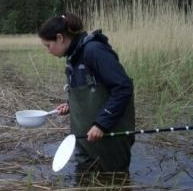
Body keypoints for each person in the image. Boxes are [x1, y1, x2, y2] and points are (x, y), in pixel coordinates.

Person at [38, 12, 135, 172]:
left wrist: (101, 125)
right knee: (86, 184)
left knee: (115, 184)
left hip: (108, 138)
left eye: (48, 45)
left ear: (60, 38)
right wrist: (71, 105)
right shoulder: (73, 57)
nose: (48, 50)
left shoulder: (94, 51)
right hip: (86, 141)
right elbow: (92, 93)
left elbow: (123, 87)